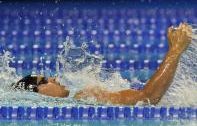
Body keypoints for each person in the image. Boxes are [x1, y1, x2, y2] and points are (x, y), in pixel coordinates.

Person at [12, 23, 192, 105]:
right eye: (44, 82)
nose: (53, 78)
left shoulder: (80, 98)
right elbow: (147, 98)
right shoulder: (84, 97)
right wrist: (175, 49)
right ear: (37, 95)